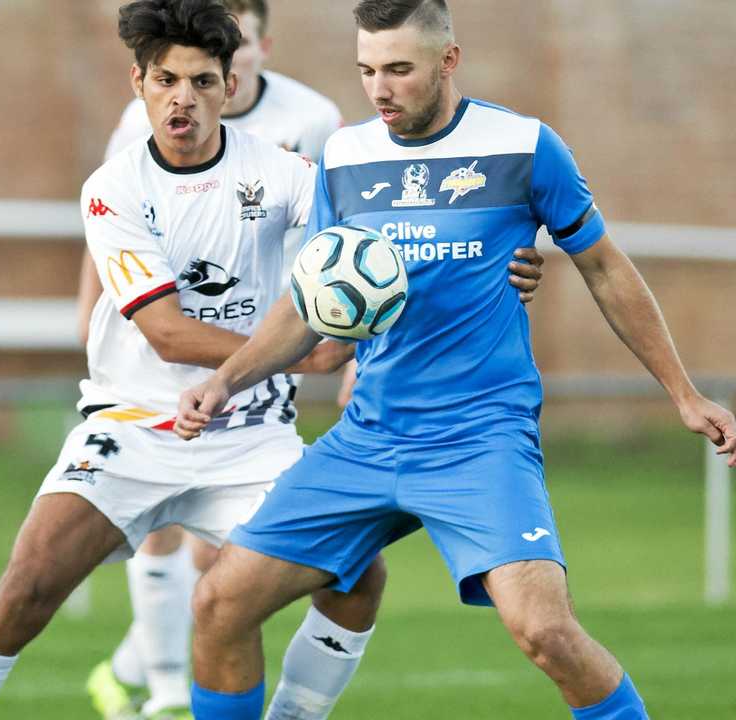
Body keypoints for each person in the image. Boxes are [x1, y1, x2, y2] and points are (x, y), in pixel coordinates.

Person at [175, 1, 736, 719]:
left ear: (448, 61)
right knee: (219, 603)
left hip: (480, 438)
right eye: (367, 70)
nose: (379, 88)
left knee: (545, 632)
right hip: (370, 435)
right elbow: (310, 302)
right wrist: (225, 380)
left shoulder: (524, 146)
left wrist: (684, 394)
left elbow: (603, 266)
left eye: (398, 70)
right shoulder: (347, 157)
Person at [74, 2, 547, 717]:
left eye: (226, 54)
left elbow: (361, 245)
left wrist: (503, 261)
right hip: (170, 386)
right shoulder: (143, 130)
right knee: (191, 569)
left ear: (253, 50)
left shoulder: (321, 129)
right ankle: (158, 679)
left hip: (298, 389)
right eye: (370, 70)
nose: (379, 86)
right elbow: (110, 221)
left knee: (299, 574)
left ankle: (201, 687)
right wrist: (94, 316)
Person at [0, 3, 383, 718]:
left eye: (201, 81)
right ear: (138, 81)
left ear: (231, 86)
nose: (182, 99)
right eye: (166, 79)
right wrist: (302, 355)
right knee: (27, 589)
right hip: (134, 428)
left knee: (357, 576)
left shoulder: (286, 174)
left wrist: (487, 256)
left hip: (251, 440)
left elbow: (366, 237)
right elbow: (167, 332)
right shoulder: (113, 188)